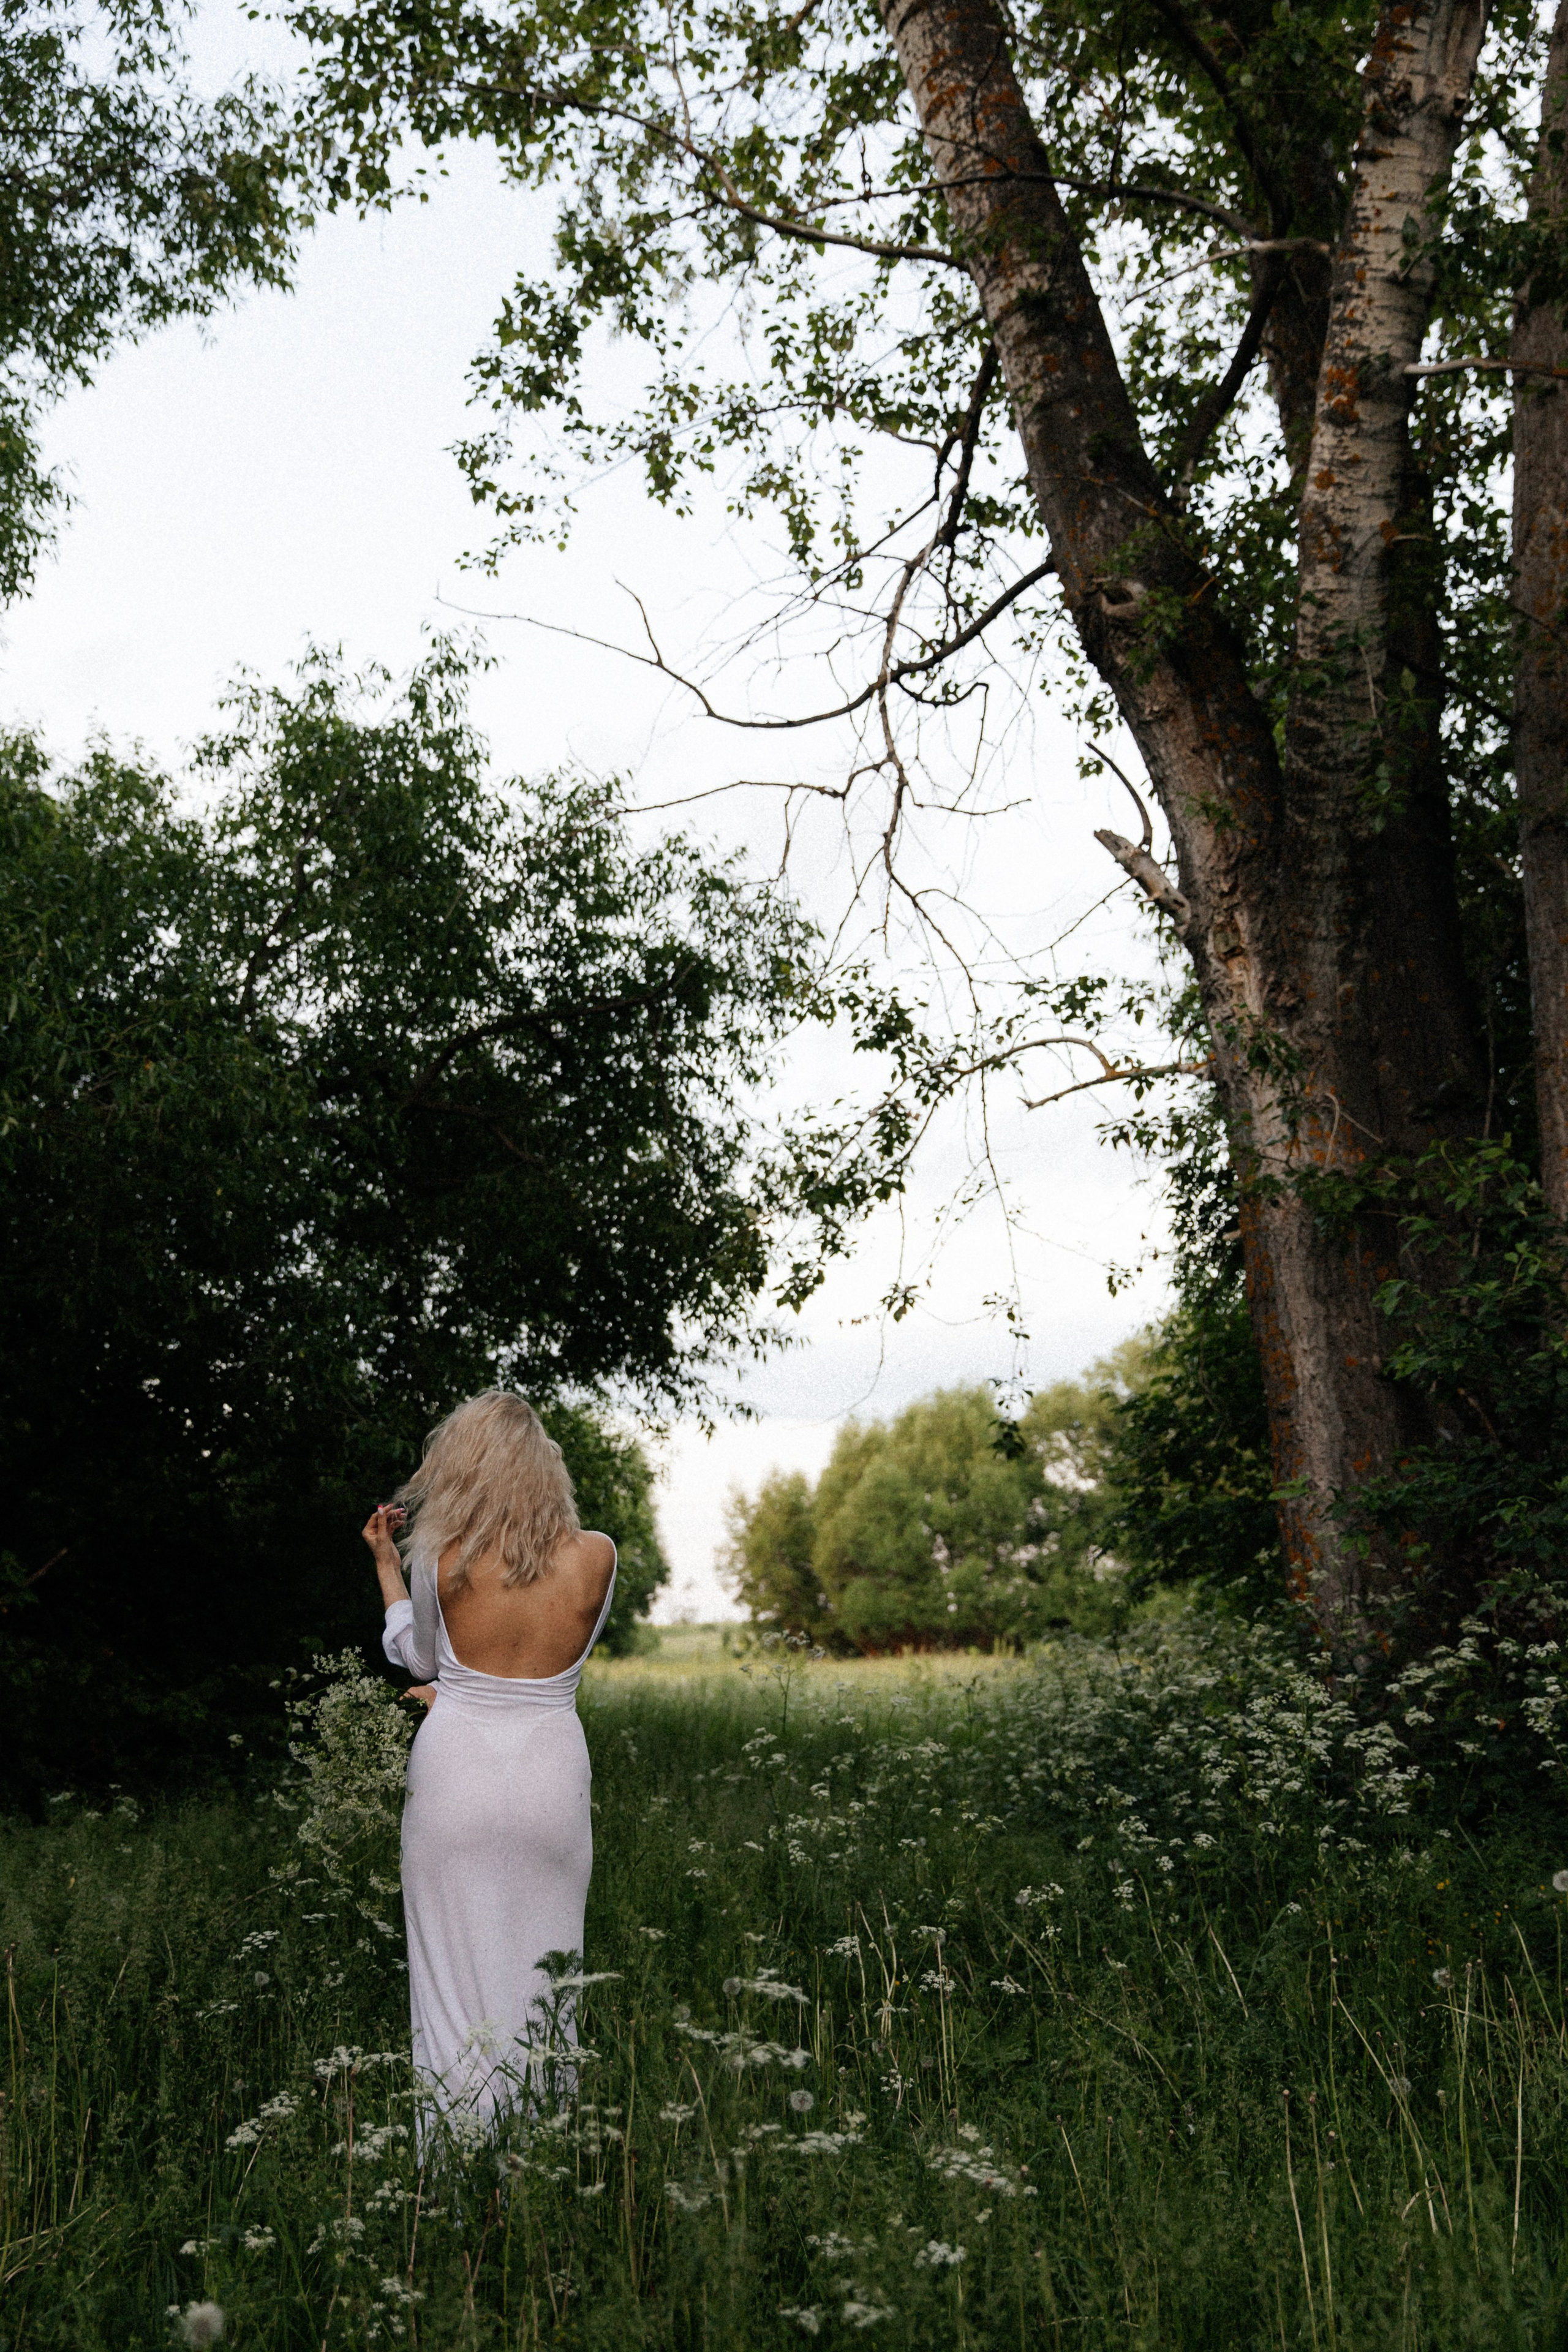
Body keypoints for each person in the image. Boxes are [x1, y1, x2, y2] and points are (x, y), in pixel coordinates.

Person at [361, 1391, 617, 2124]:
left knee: (449, 1980)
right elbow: (547, 1674)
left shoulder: (443, 1561)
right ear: (547, 1469)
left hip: (456, 1773)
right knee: (546, 1977)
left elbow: (420, 1660)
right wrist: (472, 1688)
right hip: (551, 1776)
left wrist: (386, 1562)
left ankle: (451, 2175)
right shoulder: (597, 1556)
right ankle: (541, 2160)